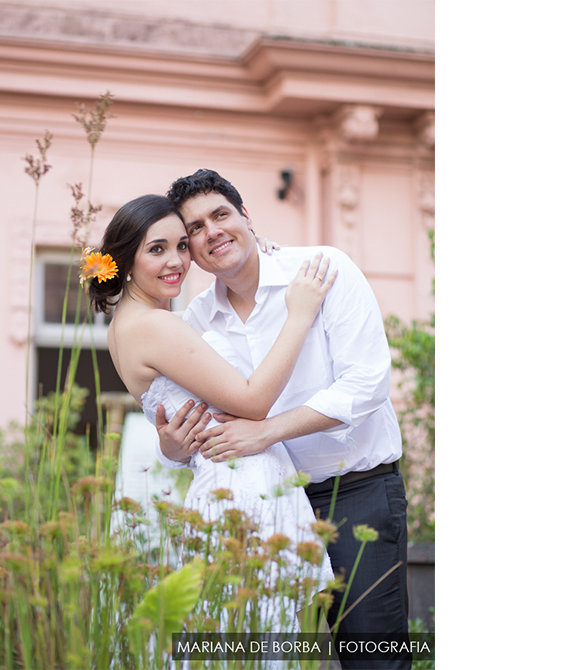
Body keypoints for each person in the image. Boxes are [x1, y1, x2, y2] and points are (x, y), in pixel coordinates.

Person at [154, 169, 411, 669]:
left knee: (374, 658)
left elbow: (367, 384)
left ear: (246, 216)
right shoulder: (196, 321)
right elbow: (196, 432)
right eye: (196, 230)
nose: (213, 232)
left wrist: (267, 431)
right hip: (261, 509)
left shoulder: (321, 270)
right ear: (190, 249)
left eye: (221, 215)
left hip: (355, 494)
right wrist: (174, 445)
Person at [85, 193, 337, 632]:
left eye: (182, 245)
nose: (176, 261)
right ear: (125, 260)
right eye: (156, 249)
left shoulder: (127, 326)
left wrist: (172, 449)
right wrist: (298, 314)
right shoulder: (153, 326)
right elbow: (253, 402)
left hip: (237, 478)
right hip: (242, 485)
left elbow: (180, 422)